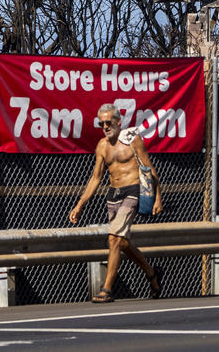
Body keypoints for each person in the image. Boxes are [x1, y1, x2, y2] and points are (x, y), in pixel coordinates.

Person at [68, 103, 163, 303]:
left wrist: (157, 197)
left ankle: (107, 289)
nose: (105, 126)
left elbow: (148, 168)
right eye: (101, 123)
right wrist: (80, 204)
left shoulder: (132, 140)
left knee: (113, 239)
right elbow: (95, 178)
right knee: (122, 242)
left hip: (133, 190)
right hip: (113, 194)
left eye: (108, 122)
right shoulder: (102, 146)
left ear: (118, 122)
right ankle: (151, 273)